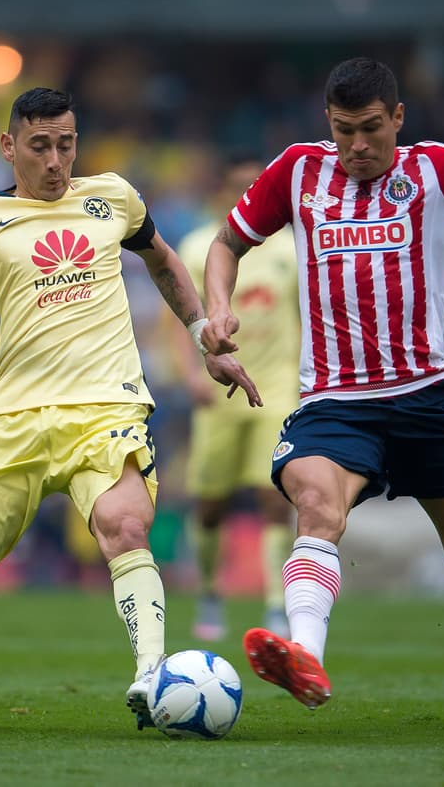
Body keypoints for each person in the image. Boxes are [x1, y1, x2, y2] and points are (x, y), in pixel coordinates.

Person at [0, 88, 258, 733]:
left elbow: (161, 260)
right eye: (39, 145)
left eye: (65, 143)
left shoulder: (114, 198)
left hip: (107, 406)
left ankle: (153, 675)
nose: (55, 160)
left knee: (127, 526)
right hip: (15, 418)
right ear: (8, 146)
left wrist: (201, 332)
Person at [201, 58, 444, 723]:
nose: (358, 146)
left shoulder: (437, 169)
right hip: (335, 403)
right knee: (316, 504)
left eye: (372, 129)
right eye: (344, 131)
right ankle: (304, 651)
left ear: (398, 117)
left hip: (427, 399)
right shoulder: (297, 173)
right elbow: (225, 243)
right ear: (328, 125)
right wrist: (215, 312)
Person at [175, 154, 298, 641]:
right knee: (210, 505)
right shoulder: (198, 246)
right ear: (224, 190)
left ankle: (274, 605)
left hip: (277, 391)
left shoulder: (290, 247)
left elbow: (306, 316)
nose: (248, 193)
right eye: (239, 185)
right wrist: (189, 372)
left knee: (274, 499)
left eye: (256, 185)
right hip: (217, 393)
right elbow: (176, 317)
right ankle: (209, 592)